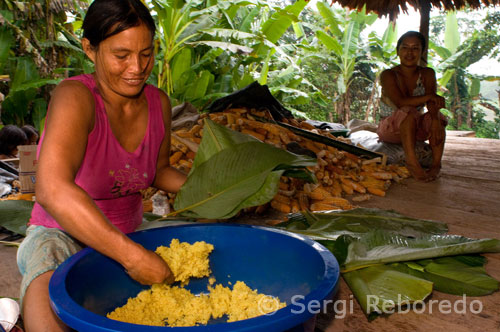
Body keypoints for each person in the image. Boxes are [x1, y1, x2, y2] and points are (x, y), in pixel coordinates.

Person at [16, 0, 187, 331]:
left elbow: (159, 171)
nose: (136, 67)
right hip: (61, 234)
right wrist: (134, 257)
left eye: (146, 53)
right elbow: (51, 190)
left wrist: (220, 193)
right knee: (47, 312)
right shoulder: (75, 97)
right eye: (121, 56)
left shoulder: (158, 102)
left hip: (131, 231)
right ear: (90, 49)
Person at [377, 31, 447, 182]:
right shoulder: (388, 75)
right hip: (390, 129)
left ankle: (436, 165)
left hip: (413, 128)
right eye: (405, 47)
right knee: (408, 111)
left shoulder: (427, 73)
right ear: (398, 51)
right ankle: (413, 163)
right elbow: (401, 102)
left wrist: (435, 121)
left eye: (415, 48)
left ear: (422, 51)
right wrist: (429, 96)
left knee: (438, 118)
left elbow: (433, 103)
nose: (410, 52)